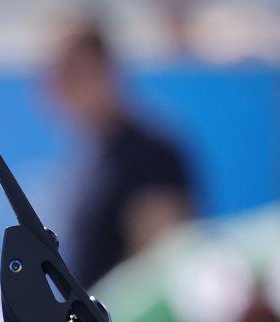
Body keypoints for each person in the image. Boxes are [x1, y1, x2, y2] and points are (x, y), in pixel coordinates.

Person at [43, 19, 198, 287]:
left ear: (105, 71)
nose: (58, 88)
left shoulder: (152, 155)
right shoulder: (90, 156)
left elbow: (159, 267)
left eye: (71, 73)